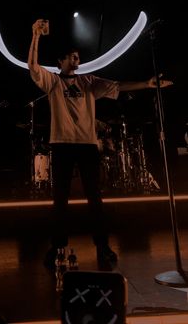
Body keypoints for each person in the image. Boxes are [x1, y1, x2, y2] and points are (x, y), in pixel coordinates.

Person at [28, 18, 173, 270]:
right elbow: (32, 66)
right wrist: (35, 36)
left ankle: (103, 247)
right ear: (61, 61)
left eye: (78, 57)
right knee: (59, 201)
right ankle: (57, 247)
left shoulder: (89, 82)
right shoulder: (52, 82)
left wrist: (146, 85)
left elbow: (117, 86)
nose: (77, 60)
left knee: (95, 199)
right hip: (61, 145)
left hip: (86, 146)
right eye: (72, 57)